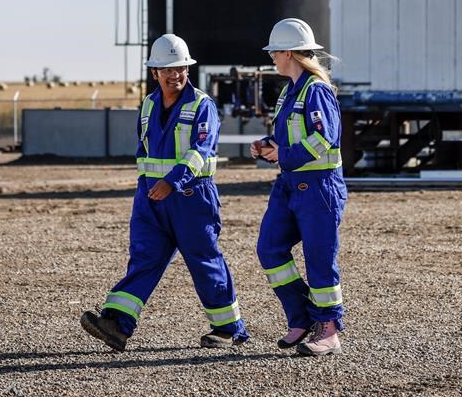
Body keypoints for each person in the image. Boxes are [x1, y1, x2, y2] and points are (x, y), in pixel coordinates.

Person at [81, 34, 249, 350]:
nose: (175, 75)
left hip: (191, 198)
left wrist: (172, 181)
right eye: (167, 69)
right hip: (151, 199)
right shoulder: (148, 105)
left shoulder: (202, 105)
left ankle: (228, 328)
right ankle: (117, 323)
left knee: (203, 260)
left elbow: (201, 150)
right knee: (144, 258)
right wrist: (145, 189)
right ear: (154, 73)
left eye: (180, 68)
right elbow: (144, 152)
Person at [251, 18, 348, 357]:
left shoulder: (316, 89)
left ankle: (329, 330)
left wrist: (285, 153)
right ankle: (302, 316)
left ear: (289, 53)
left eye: (274, 52)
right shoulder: (290, 90)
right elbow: (287, 138)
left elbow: (325, 139)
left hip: (319, 188)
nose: (272, 58)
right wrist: (267, 145)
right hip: (291, 185)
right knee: (269, 249)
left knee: (319, 259)